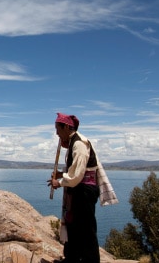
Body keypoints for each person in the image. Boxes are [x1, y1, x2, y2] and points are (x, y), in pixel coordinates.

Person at [48, 113, 118, 263]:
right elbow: (76, 170)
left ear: (66, 127)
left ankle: (90, 260)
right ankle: (71, 258)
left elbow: (78, 175)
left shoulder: (79, 144)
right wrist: (61, 174)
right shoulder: (73, 141)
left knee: (86, 229)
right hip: (78, 190)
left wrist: (59, 183)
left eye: (57, 129)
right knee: (73, 225)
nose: (56, 133)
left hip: (84, 191)